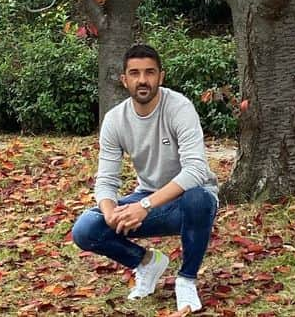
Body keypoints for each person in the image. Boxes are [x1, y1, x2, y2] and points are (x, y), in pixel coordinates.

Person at [71, 43, 219, 313]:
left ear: (161, 77)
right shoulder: (115, 120)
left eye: (150, 72)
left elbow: (196, 170)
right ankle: (146, 262)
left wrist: (144, 207)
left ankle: (186, 280)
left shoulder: (179, 108)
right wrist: (110, 213)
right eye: (135, 73)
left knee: (199, 197)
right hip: (148, 198)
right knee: (86, 228)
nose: (143, 80)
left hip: (188, 201)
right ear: (124, 80)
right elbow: (105, 181)